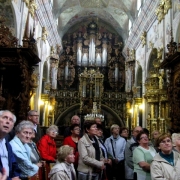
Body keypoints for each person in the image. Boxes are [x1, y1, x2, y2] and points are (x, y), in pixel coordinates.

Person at [0, 110, 21, 180]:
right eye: (5, 118)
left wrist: (16, 176)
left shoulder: (7, 143)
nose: (8, 122)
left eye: (11, 120)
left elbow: (14, 163)